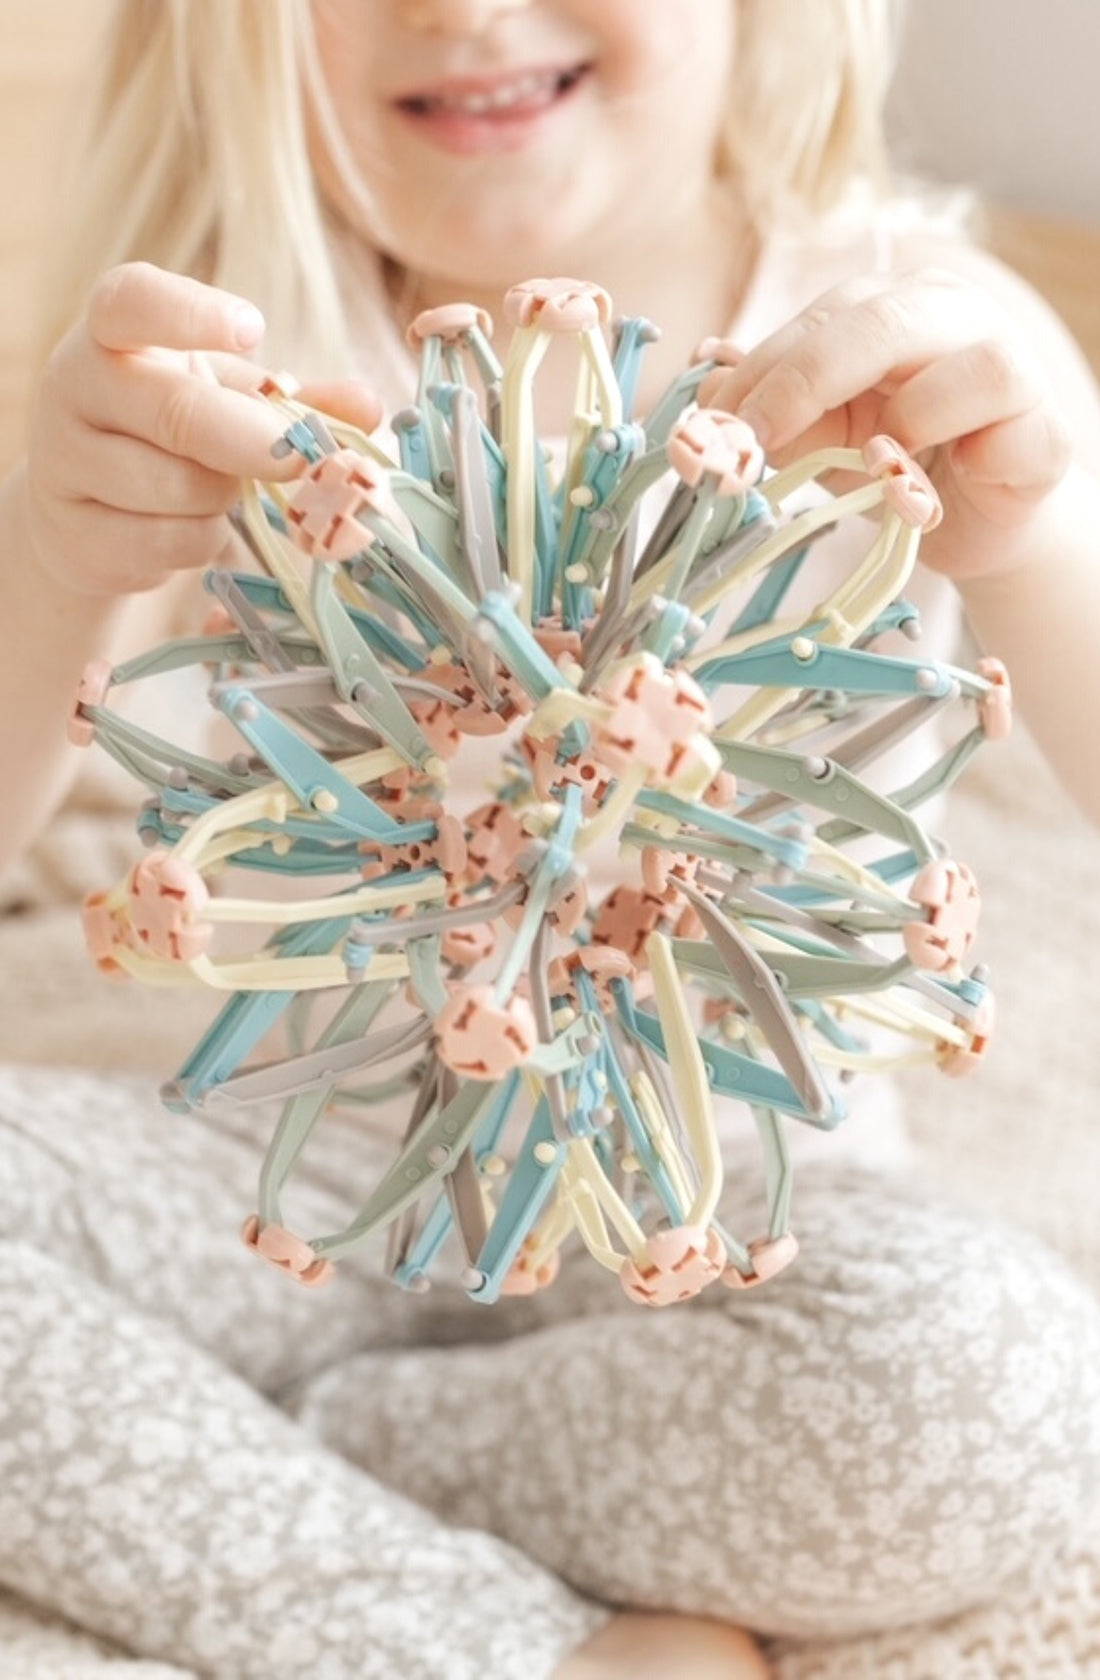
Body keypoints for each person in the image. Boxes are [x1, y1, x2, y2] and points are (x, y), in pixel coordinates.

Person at [1, 2, 1099, 1676]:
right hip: (308, 1189)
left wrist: (1033, 538)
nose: (462, 9)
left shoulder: (925, 346)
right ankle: (508, 1634)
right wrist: (52, 559)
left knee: (1008, 1393)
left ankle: (306, 1440)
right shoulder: (223, 360)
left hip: (737, 1224)